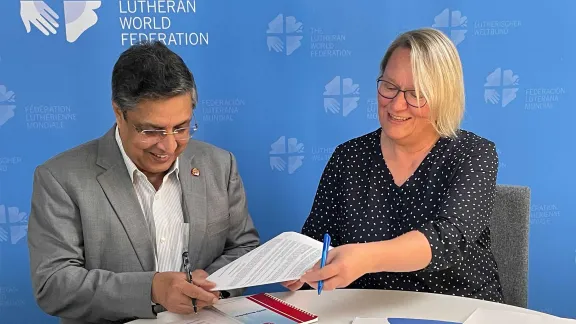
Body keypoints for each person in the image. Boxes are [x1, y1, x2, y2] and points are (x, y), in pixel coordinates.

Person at [27, 41, 260, 324]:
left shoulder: (220, 164)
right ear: (118, 113)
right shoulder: (61, 178)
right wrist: (152, 290)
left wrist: (212, 282)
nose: (169, 146)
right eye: (152, 130)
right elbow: (53, 284)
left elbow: (244, 248)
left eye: (182, 128)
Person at [283, 28, 504, 303]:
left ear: (443, 97)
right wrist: (301, 268)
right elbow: (316, 240)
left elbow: (447, 239)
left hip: (457, 307)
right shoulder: (347, 157)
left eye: (416, 93)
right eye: (389, 87)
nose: (397, 105)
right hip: (362, 311)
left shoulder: (473, 153)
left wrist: (366, 258)